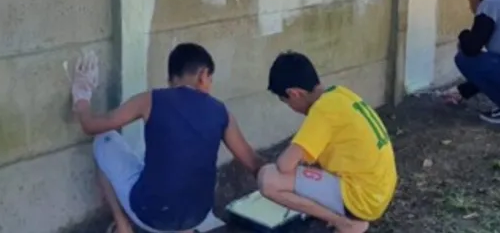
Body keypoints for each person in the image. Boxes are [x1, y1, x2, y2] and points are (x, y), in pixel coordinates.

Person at [69, 44, 264, 233]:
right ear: (204, 75)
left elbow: (91, 126)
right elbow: (253, 162)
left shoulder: (151, 100)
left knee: (104, 139)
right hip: (198, 216)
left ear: (170, 80)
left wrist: (82, 97)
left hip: (151, 215)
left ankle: (123, 226)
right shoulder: (222, 112)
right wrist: (287, 182)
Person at [257, 52, 397, 233]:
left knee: (268, 178)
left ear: (295, 93)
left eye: (287, 102)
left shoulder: (322, 112)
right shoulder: (339, 94)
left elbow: (284, 165)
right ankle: (348, 219)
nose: (291, 108)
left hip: (362, 197)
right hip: (380, 188)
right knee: (310, 167)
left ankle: (344, 223)